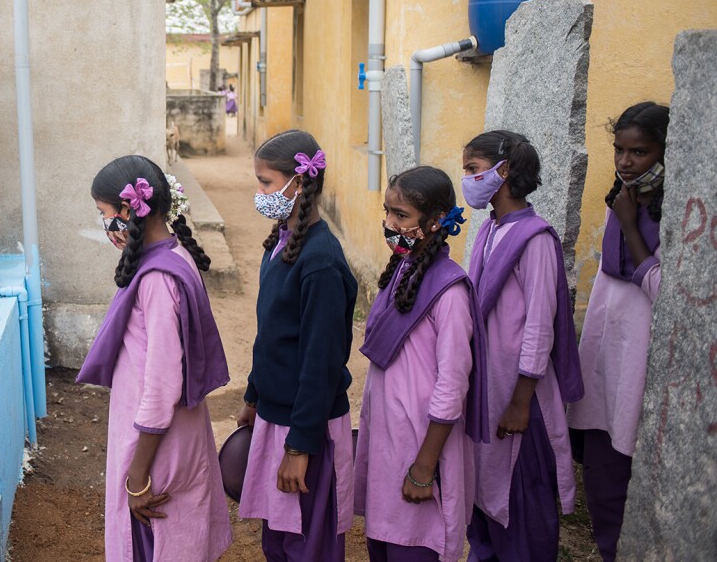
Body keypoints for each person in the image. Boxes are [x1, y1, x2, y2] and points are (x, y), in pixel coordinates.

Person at [77, 156, 231, 561]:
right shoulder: (176, 255)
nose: (104, 224)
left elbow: (162, 386)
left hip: (157, 446)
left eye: (104, 214)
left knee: (157, 544)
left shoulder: (159, 279)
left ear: (127, 211)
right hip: (169, 435)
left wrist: (138, 474)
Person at [460, 131, 583, 562]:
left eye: (473, 170)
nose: (468, 180)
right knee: (484, 496)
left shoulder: (536, 239)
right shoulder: (490, 230)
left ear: (504, 171)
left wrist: (520, 399)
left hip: (518, 398)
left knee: (521, 499)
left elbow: (538, 326)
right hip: (488, 389)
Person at [355, 166, 489, 562]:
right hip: (388, 441)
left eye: (401, 216)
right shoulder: (402, 271)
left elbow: (452, 385)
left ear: (434, 223)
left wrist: (424, 467)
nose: (389, 223)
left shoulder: (449, 292)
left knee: (413, 542)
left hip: (420, 445)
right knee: (384, 537)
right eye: (387, 212)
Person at [237, 130, 358, 561]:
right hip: (277, 416)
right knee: (280, 539)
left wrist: (300, 448)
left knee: (309, 542)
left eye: (266, 183)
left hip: (307, 427)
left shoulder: (320, 260)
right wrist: (254, 395)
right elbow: (271, 332)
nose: (260, 193)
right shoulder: (283, 242)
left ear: (299, 183)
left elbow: (320, 362)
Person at [567, 102, 669, 561]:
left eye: (640, 152)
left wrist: (631, 227)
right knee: (602, 472)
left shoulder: (672, 213)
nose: (626, 162)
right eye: (619, 150)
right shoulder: (622, 198)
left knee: (633, 463)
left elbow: (667, 293)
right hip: (607, 355)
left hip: (643, 360)